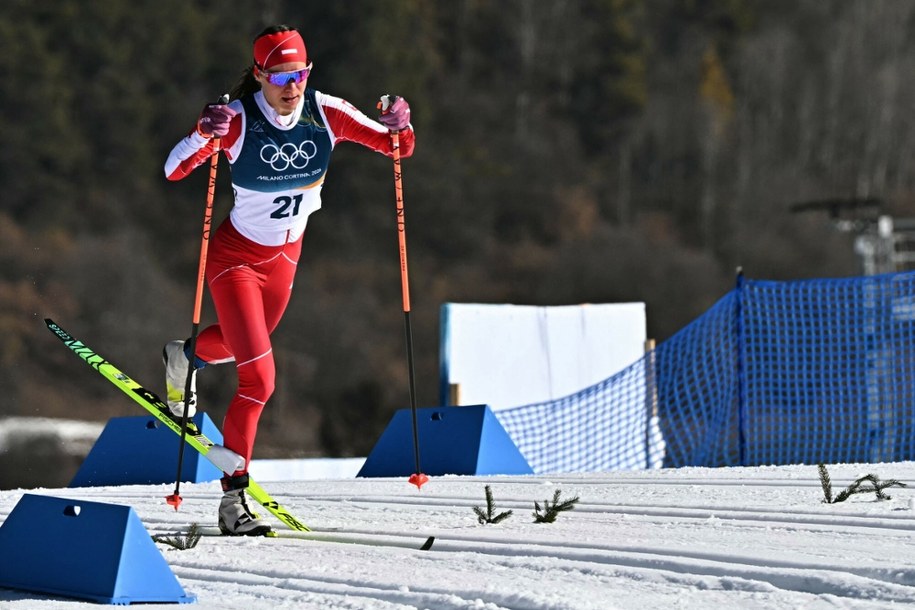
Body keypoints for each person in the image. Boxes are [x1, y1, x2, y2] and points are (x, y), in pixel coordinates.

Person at [162, 25, 414, 535]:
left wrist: (401, 124)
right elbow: (174, 170)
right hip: (235, 258)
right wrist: (202, 132)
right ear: (260, 75)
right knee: (260, 378)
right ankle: (234, 502)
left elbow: (396, 149)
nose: (290, 86)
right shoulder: (236, 120)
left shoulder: (328, 112)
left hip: (285, 260)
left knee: (240, 345)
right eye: (279, 76)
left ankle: (184, 357)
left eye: (298, 74)